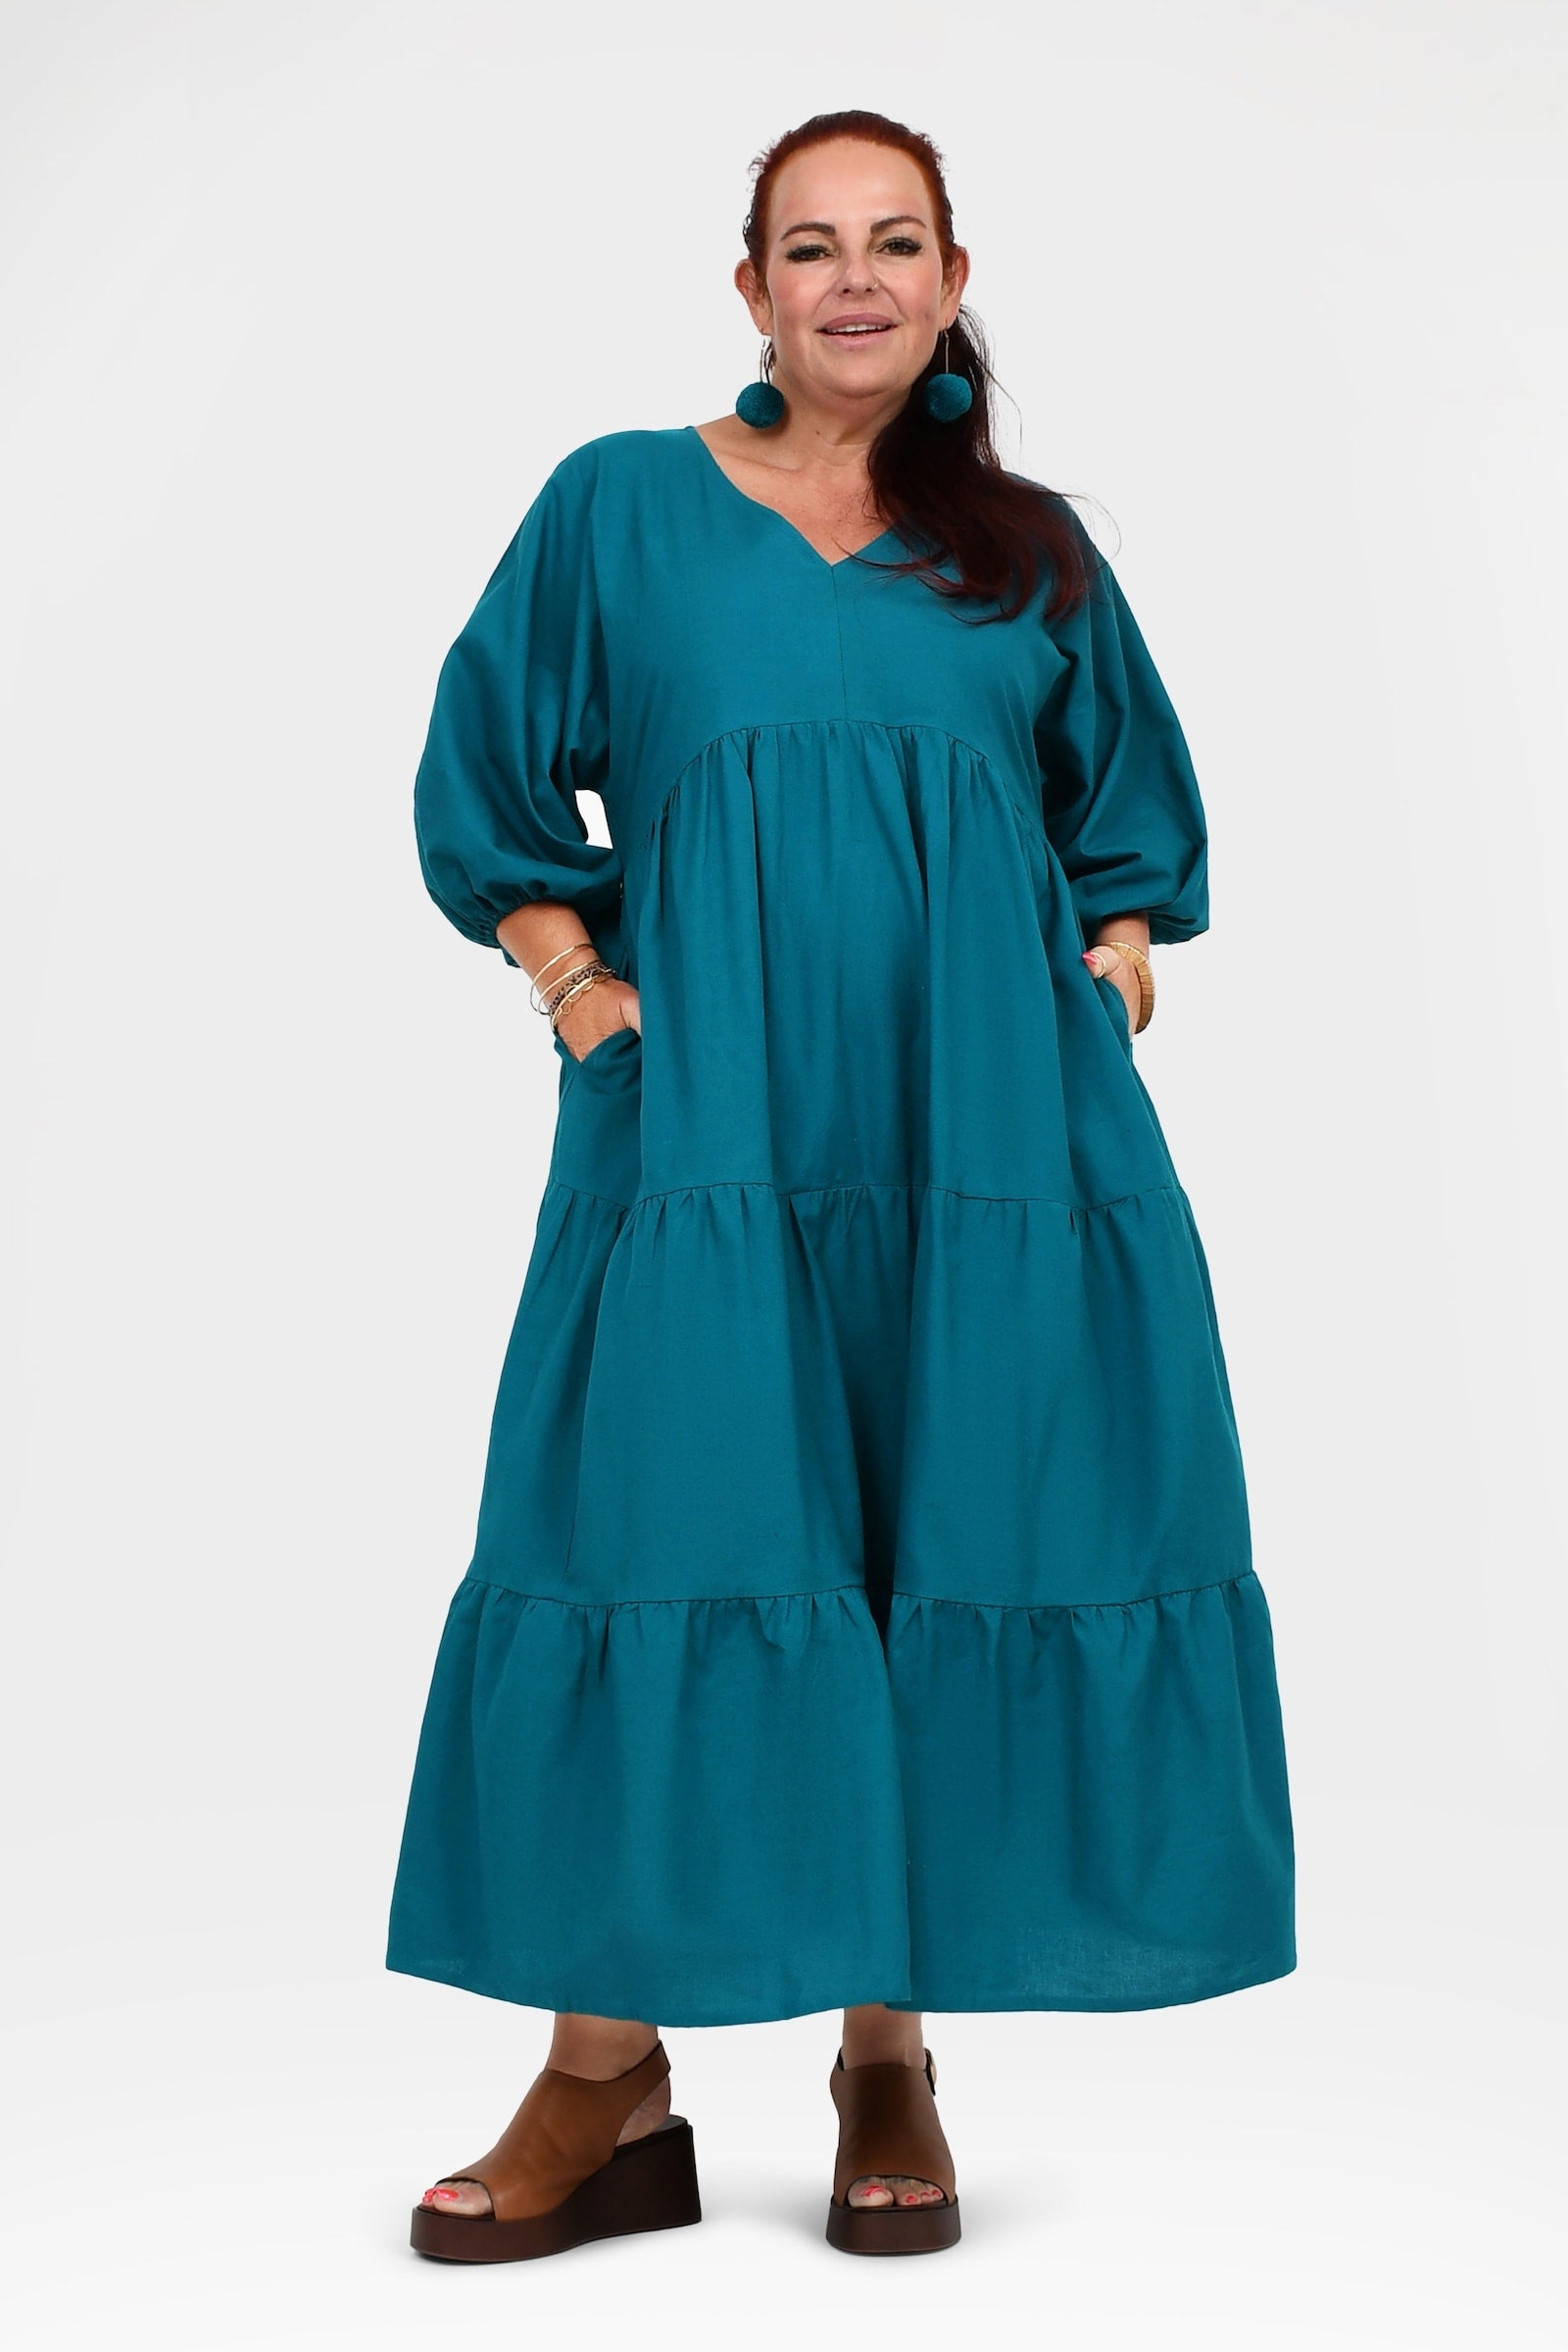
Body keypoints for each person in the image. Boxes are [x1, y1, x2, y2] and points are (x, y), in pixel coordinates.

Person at [386, 107, 1296, 2262]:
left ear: (953, 282)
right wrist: (578, 990)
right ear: (752, 289)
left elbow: (1125, 820)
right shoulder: (618, 504)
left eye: (897, 243)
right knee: (658, 1534)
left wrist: (1109, 973)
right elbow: (485, 773)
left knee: (937, 1523)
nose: (856, 278)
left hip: (982, 1145)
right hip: (705, 1136)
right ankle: (602, 2076)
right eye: (812, 245)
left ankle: (887, 2051)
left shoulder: (1025, 548)